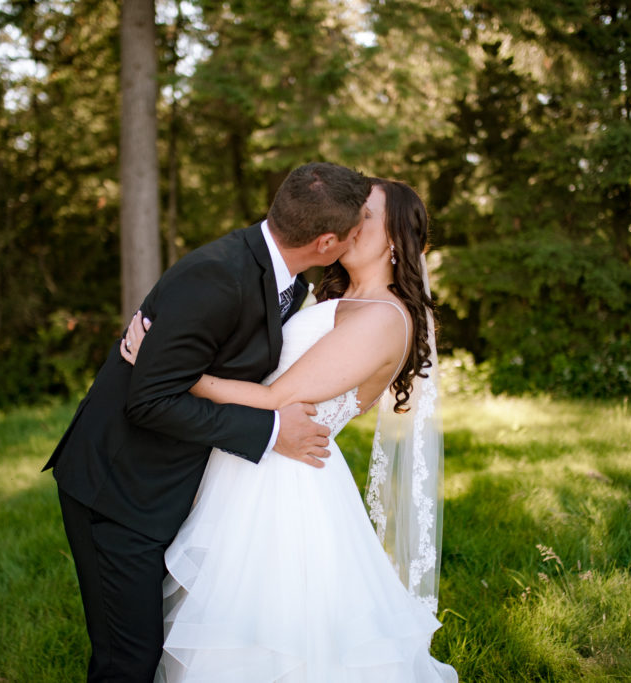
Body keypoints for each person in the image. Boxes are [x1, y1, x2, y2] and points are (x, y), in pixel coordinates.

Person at [44, 162, 374, 681]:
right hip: (119, 489)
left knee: (159, 644)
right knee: (128, 659)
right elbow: (149, 399)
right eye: (356, 231)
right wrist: (270, 433)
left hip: (173, 483)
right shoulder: (217, 275)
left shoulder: (285, 278)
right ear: (327, 241)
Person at [120, 178, 458, 681]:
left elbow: (277, 398)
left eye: (366, 215)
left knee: (272, 637)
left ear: (396, 239)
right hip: (257, 461)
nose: (349, 221)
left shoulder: (383, 316)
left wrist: (168, 368)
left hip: (285, 482)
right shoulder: (330, 299)